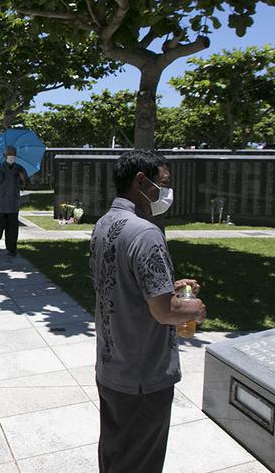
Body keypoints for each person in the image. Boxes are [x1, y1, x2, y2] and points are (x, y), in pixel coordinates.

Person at [89, 149, 207, 473]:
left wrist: (168, 283)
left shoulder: (104, 223)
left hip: (111, 368)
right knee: (140, 462)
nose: (164, 192)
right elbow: (165, 311)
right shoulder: (146, 233)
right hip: (143, 379)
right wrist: (195, 309)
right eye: (162, 183)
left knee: (115, 456)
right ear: (141, 181)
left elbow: (120, 282)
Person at [0, 146, 27, 256]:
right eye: (9, 154)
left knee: (13, 229)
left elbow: (24, 186)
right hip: (0, 204)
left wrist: (23, 179)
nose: (11, 156)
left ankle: (11, 249)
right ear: (4, 155)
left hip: (13, 203)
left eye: (13, 154)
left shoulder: (20, 169)